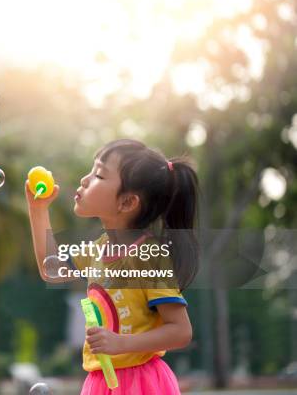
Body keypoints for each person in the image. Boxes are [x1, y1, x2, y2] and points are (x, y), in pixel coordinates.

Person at [25, 139, 199, 394]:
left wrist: (120, 343)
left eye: (98, 174)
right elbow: (50, 269)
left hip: (141, 384)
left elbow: (181, 331)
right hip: (101, 383)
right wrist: (37, 209)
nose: (85, 180)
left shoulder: (148, 257)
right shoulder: (98, 249)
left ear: (127, 203)